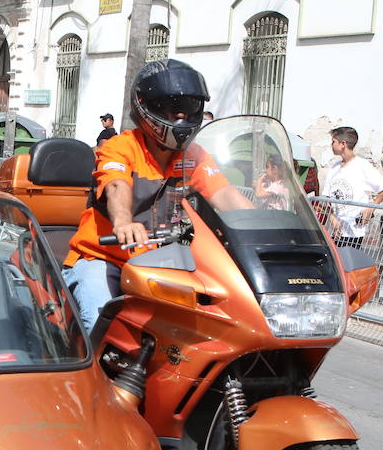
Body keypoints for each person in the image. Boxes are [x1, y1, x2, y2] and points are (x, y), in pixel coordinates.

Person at [61, 59, 254, 332]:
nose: (182, 119)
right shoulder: (121, 147)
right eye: (174, 110)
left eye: (189, 111)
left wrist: (266, 226)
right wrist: (124, 223)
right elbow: (116, 185)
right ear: (147, 108)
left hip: (163, 264)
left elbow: (227, 196)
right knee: (100, 321)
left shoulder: (193, 157)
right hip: (104, 259)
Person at [320, 126, 383, 248]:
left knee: (349, 262)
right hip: (334, 230)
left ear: (343, 144)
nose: (331, 145)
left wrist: (370, 209)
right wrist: (332, 219)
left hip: (353, 231)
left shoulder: (362, 166)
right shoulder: (334, 168)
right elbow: (326, 199)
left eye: (333, 142)